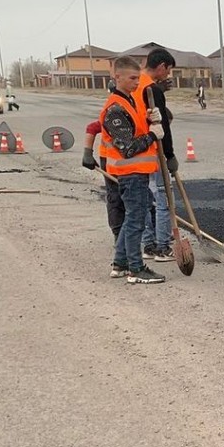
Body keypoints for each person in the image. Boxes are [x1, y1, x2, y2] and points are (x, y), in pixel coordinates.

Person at [98, 56, 165, 284]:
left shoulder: (129, 101)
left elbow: (134, 129)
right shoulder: (115, 109)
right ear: (117, 77)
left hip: (138, 171)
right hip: (130, 173)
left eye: (138, 77)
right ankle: (136, 268)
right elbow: (128, 148)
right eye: (132, 78)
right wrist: (152, 135)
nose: (137, 82)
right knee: (136, 221)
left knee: (131, 219)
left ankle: (120, 263)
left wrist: (148, 120)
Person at [133, 48, 178, 263]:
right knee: (163, 197)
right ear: (161, 66)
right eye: (167, 71)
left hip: (134, 149)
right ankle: (163, 247)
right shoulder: (152, 90)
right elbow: (163, 127)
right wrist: (169, 155)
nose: (167, 76)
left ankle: (148, 246)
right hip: (154, 150)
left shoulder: (132, 85)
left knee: (144, 200)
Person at [82, 121, 125, 240]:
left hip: (133, 160)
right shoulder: (115, 115)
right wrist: (87, 153)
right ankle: (118, 233)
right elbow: (92, 127)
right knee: (115, 196)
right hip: (110, 160)